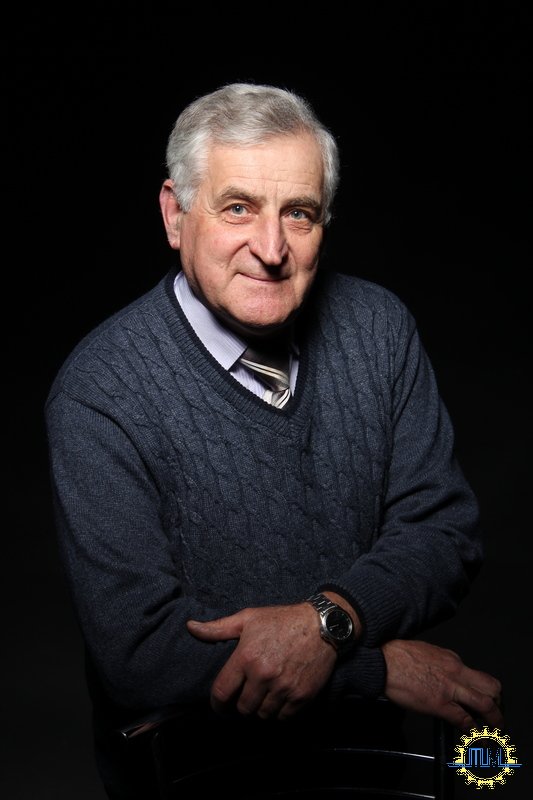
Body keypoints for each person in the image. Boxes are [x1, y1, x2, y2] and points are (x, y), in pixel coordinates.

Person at [45, 82, 503, 799]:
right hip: (195, 779)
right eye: (237, 208)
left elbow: (442, 533)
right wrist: (374, 670)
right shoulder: (101, 390)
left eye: (299, 213)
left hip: (373, 774)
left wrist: (328, 622)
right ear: (175, 214)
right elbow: (141, 657)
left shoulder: (379, 330)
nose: (270, 249)